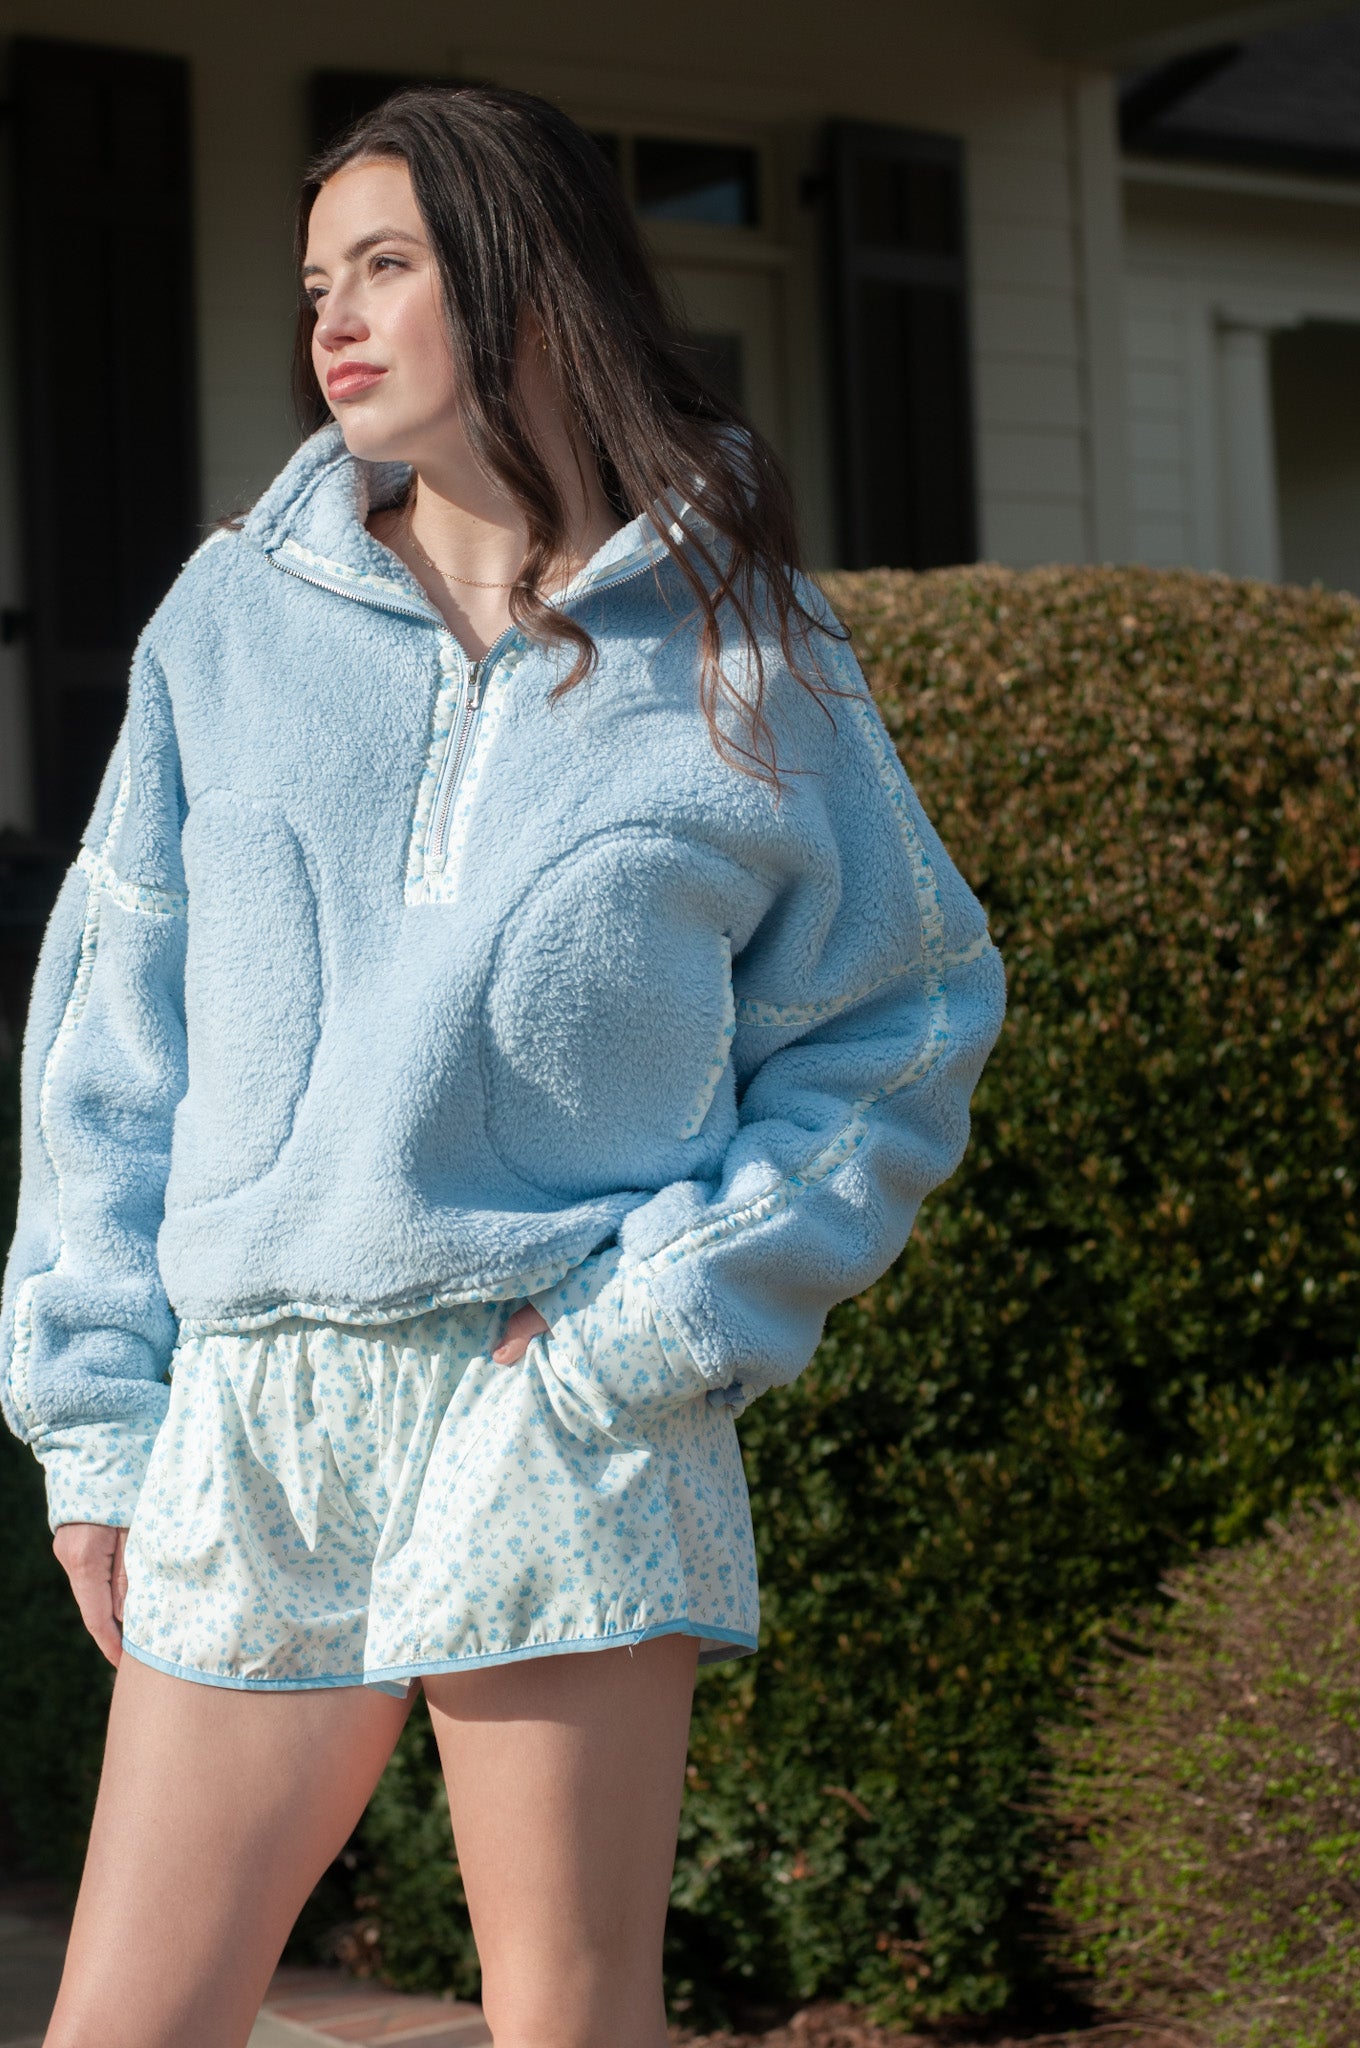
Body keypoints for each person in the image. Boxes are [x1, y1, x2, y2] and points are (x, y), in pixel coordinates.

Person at [0, 83, 1006, 2048]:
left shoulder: (748, 648)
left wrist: (663, 1319)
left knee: (568, 2020)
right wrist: (99, 1417)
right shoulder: (227, 621)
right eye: (316, 281)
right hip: (258, 1398)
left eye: (385, 267)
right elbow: (112, 1041)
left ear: (525, 287)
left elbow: (905, 1017)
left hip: (553, 1396)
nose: (334, 319)